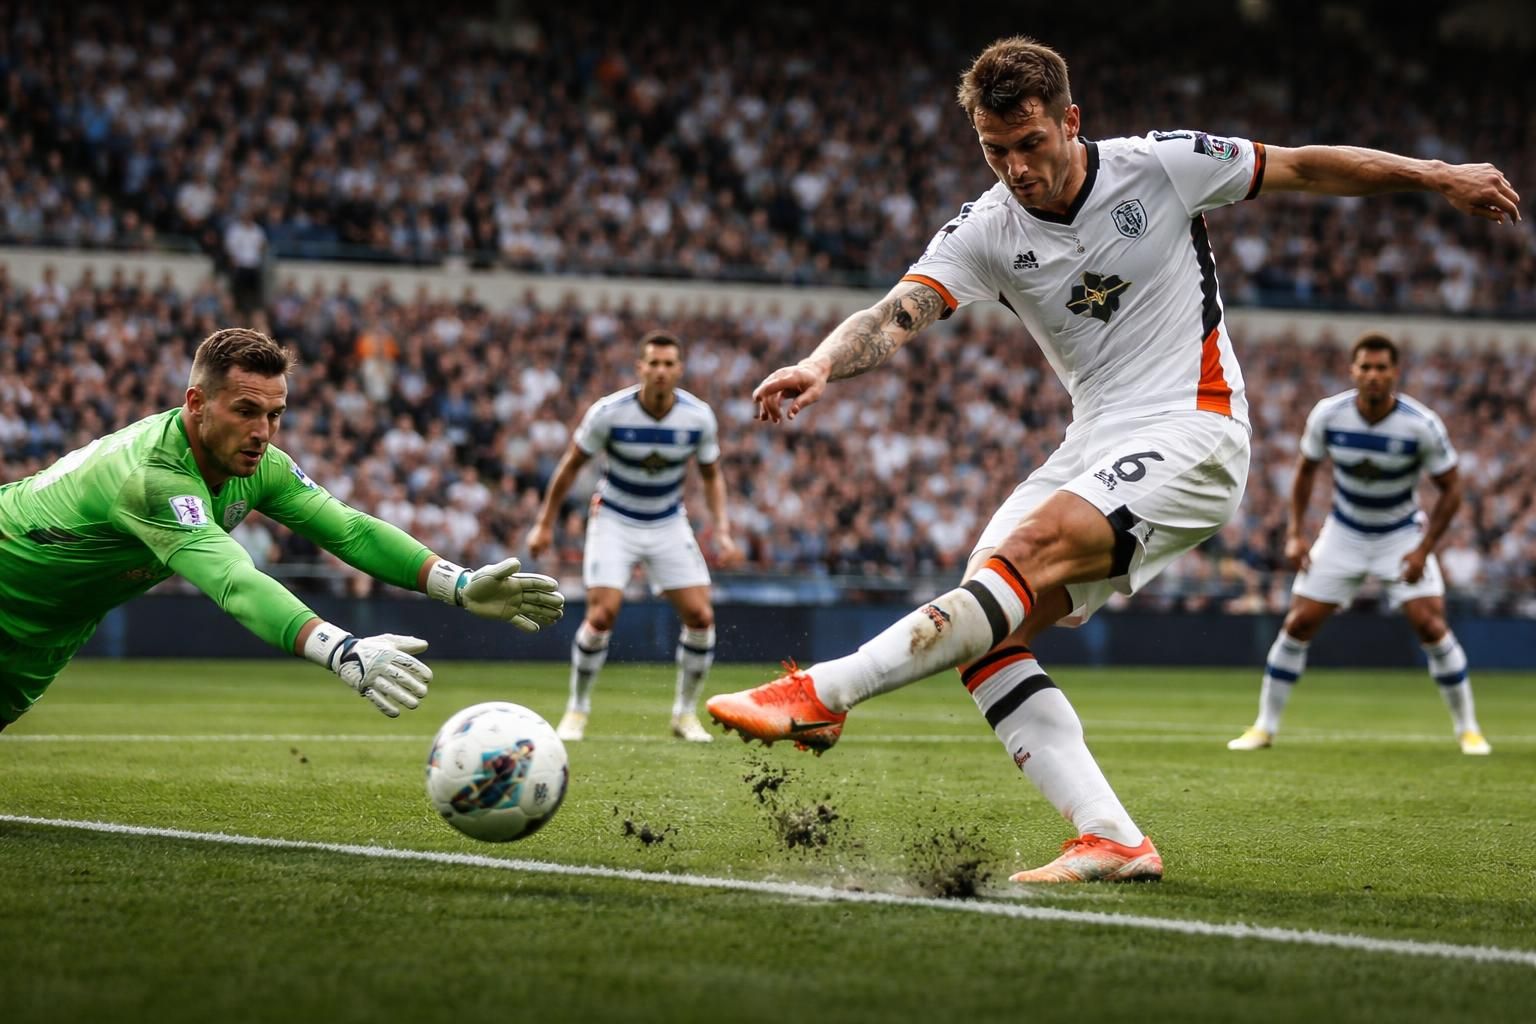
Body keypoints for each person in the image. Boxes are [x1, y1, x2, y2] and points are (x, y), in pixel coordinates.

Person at [706, 35, 1520, 883]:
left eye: (1031, 145)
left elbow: (1308, 168)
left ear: (1070, 121)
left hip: (1194, 427)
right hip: (1092, 439)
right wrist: (820, 364)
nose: (1016, 168)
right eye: (995, 151)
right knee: (988, 625)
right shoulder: (986, 226)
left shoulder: (1160, 165)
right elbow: (896, 312)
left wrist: (1436, 174)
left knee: (1019, 560)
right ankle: (1112, 838)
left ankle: (822, 695)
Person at [0, 328, 565, 730]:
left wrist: (458, 585)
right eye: (245, 410)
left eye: (275, 414)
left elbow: (351, 531)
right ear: (196, 403)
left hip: (53, 624)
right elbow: (234, 581)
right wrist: (342, 649)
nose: (263, 431)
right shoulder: (153, 477)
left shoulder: (262, 465)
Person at [1228, 333, 1488, 755]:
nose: (1373, 375)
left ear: (1395, 372)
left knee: (1431, 626)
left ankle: (1469, 729)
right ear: (1353, 371)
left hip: (1401, 534)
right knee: (1298, 624)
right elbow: (1305, 472)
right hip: (1344, 531)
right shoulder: (1329, 415)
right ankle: (1264, 727)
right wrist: (1295, 534)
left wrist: (1423, 550)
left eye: (1381, 368)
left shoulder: (1421, 425)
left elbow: (1452, 489)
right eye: (1365, 367)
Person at [526, 330, 741, 743]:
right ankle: (577, 708)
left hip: (667, 520)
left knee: (701, 617)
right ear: (640, 367)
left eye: (668, 364)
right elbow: (570, 467)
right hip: (615, 519)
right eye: (653, 364)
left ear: (679, 369)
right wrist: (544, 523)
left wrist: (724, 531)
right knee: (601, 615)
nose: (660, 371)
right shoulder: (609, 412)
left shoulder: (698, 417)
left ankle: (683, 714)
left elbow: (712, 476)